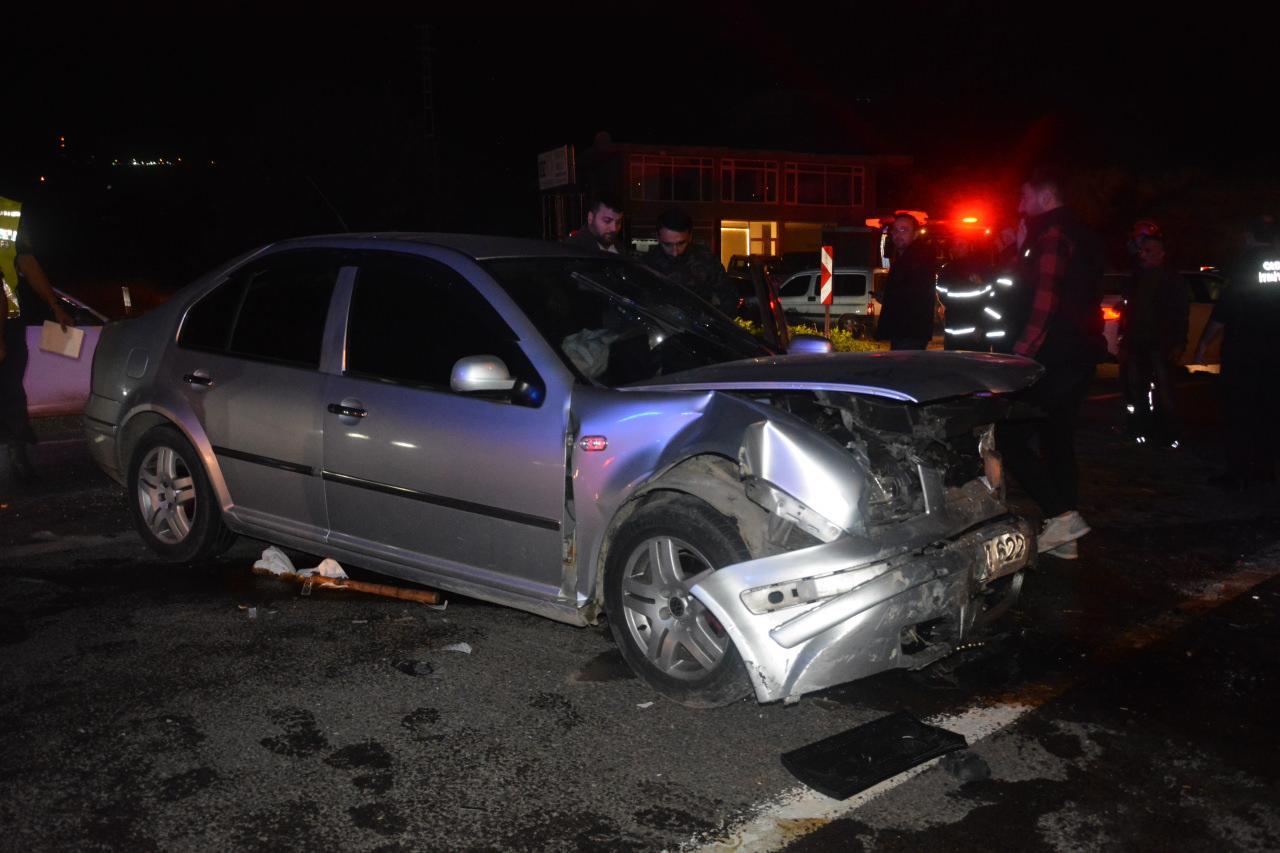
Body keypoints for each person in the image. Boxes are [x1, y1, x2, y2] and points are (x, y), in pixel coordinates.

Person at [997, 169, 1107, 560]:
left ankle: (1060, 514)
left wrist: (1022, 352)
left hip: (1053, 358)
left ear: (1044, 196)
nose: (1019, 205)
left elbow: (1045, 298)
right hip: (1077, 354)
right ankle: (1066, 536)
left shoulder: (1054, 235)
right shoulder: (1079, 232)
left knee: (1009, 438)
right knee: (1057, 440)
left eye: (1025, 196)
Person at [1192, 216, 1280, 492]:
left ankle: (1238, 471)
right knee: (1268, 410)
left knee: (1238, 411)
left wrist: (1204, 343)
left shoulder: (1244, 263)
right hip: (1274, 350)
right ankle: (1265, 469)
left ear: (1247, 236)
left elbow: (1226, 308)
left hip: (1245, 349)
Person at [1, 193, 72, 485]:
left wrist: (55, 305)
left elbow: (27, 262)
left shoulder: (10, 211)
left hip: (9, 316)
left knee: (11, 388)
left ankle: (17, 454)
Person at [1119, 233, 1189, 446]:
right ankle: (1140, 429)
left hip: (1161, 342)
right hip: (1138, 341)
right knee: (1136, 388)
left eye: (1149, 250)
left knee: (1164, 390)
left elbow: (1180, 314)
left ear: (1161, 254)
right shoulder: (1137, 277)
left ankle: (1166, 433)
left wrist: (1178, 343)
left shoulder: (1172, 279)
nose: (1144, 254)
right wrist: (1125, 340)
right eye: (1143, 250)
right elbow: (1130, 310)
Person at [640, 208, 733, 311]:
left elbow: (729, 297)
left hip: (699, 324)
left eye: (680, 244)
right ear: (658, 237)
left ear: (690, 237)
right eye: (667, 244)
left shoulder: (706, 260)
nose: (674, 252)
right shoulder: (646, 263)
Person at [875, 213, 936, 350]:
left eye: (904, 230)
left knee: (904, 369)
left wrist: (889, 297)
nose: (898, 234)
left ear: (915, 234)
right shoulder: (905, 258)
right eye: (895, 230)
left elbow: (913, 296)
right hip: (906, 332)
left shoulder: (917, 259)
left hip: (909, 333)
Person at [938, 235, 1001, 351]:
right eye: (955, 245)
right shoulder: (945, 270)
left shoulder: (983, 268)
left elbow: (992, 299)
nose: (957, 248)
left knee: (976, 366)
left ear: (970, 246)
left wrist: (982, 325)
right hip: (953, 332)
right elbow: (943, 296)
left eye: (961, 244)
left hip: (976, 334)